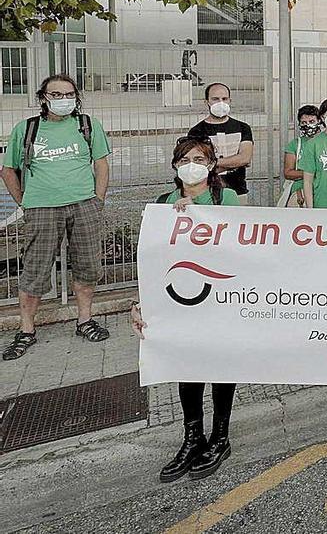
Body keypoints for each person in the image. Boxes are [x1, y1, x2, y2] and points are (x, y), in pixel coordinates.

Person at [130, 136, 240, 481]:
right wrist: (140, 303)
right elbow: (152, 260)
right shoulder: (163, 203)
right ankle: (192, 437)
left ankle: (220, 437)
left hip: (221, 299)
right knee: (188, 368)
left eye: (199, 158)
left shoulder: (229, 199)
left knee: (223, 367)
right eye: (184, 158)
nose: (191, 164)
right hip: (182, 302)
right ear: (175, 166)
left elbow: (246, 248)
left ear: (211, 165)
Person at [1, 74, 112, 361]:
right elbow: (8, 169)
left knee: (87, 265)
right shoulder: (27, 129)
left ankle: (84, 320)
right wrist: (24, 201)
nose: (63, 100)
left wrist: (97, 200)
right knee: (35, 269)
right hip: (41, 208)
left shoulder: (86, 125)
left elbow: (101, 163)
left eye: (69, 94)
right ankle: (26, 330)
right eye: (56, 94)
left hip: (83, 205)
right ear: (43, 98)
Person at [189, 82, 254, 205]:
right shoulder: (196, 131)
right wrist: (234, 162)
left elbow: (245, 158)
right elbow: (198, 164)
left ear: (230, 101)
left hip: (238, 191)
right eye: (215, 99)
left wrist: (212, 163)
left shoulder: (243, 127)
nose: (220, 103)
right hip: (206, 193)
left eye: (224, 99)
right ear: (206, 102)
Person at [281, 105, 321, 207]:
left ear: (319, 121)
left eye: (312, 122)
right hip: (300, 194)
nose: (307, 125)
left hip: (324, 190)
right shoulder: (294, 145)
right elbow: (288, 173)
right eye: (304, 122)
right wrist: (312, 173)